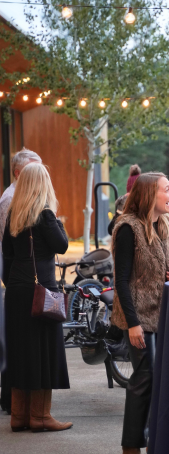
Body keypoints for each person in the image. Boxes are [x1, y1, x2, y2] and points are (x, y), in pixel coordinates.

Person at [111, 172, 169, 454]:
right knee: (144, 379)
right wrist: (132, 324)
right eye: (167, 190)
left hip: (164, 314)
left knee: (162, 380)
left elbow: (168, 268)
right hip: (139, 316)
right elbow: (122, 281)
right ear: (149, 194)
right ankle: (131, 451)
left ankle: (157, 445)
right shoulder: (128, 228)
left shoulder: (165, 227)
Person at [2, 163, 72, 433]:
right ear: (43, 184)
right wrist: (56, 217)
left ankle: (19, 416)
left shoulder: (13, 216)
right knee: (44, 351)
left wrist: (15, 285)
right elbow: (62, 245)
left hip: (17, 291)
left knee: (20, 351)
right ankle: (41, 417)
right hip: (41, 290)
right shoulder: (45, 214)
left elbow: (7, 256)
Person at [0, 148, 42, 414]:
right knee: (13, 342)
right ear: (19, 172)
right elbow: (8, 245)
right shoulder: (10, 200)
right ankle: (12, 402)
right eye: (33, 169)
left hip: (22, 277)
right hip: (18, 279)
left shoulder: (25, 197)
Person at [0, 148, 42, 244]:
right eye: (32, 171)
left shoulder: (33, 194)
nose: (39, 175)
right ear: (18, 174)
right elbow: (8, 240)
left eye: (39, 170)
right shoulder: (10, 199)